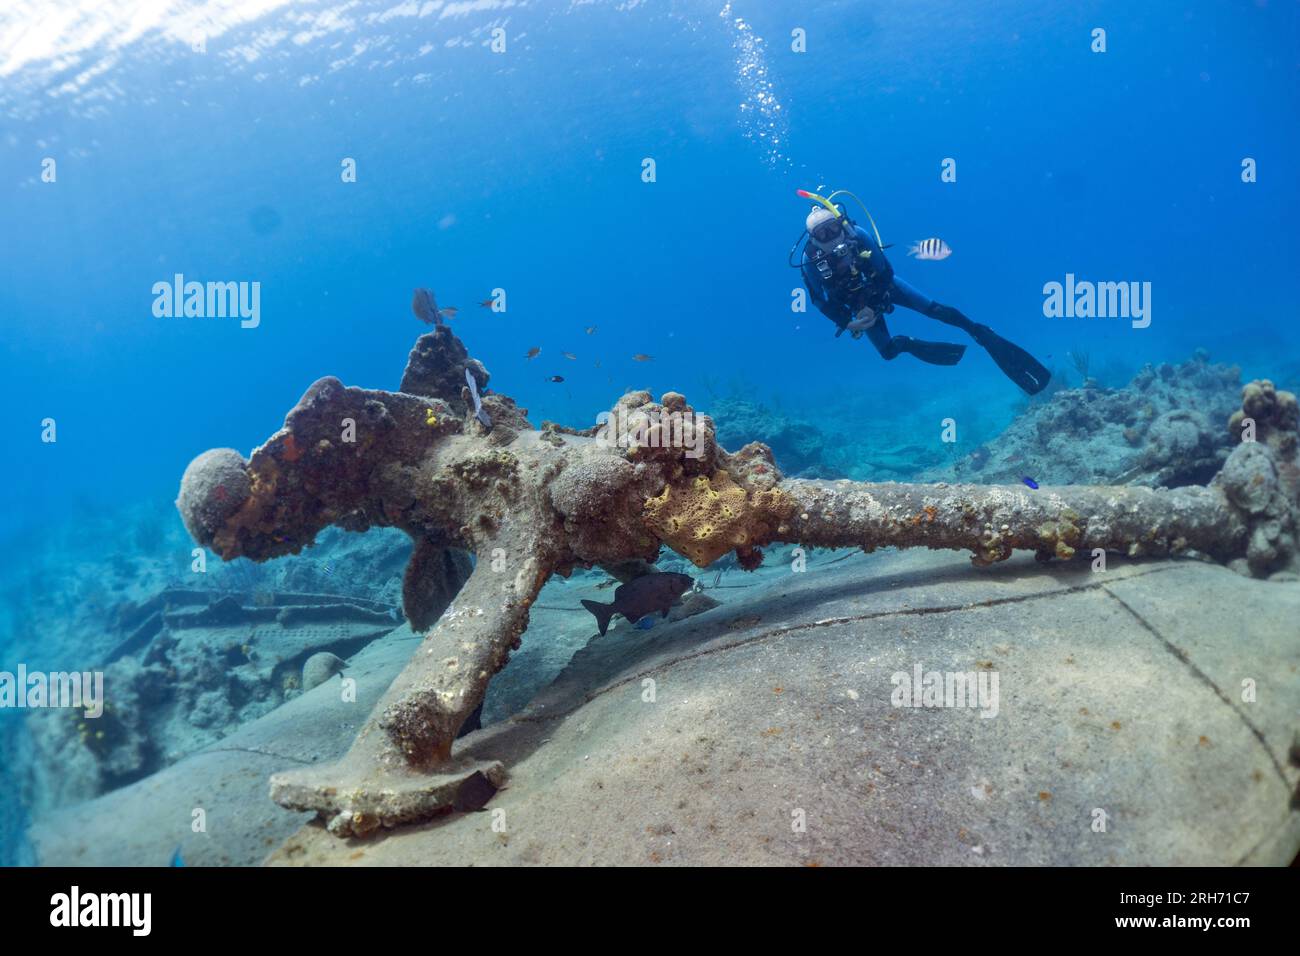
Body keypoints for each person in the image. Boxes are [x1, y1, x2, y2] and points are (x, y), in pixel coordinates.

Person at [798, 190, 1050, 395]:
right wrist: (851, 321)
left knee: (936, 310)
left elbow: (885, 271)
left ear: (841, 223)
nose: (830, 236)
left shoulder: (858, 235)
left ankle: (978, 331)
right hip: (857, 311)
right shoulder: (810, 260)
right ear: (812, 239)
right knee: (888, 353)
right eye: (821, 234)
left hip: (882, 289)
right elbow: (819, 300)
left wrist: (873, 304)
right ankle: (907, 344)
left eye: (832, 228)